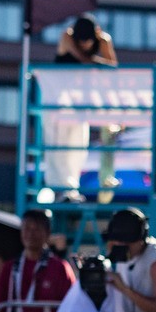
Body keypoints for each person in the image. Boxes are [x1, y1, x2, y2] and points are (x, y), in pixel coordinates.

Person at [45, 14, 118, 202]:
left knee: (78, 146)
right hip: (57, 99)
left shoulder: (101, 40)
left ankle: (71, 188)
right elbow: (85, 61)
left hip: (78, 102)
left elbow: (112, 68)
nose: (85, 44)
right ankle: (58, 188)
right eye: (82, 40)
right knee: (57, 145)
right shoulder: (67, 37)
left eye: (88, 40)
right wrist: (98, 62)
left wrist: (105, 45)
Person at [0, 209, 75, 312]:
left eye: (36, 229)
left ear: (47, 233)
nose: (30, 234)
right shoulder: (9, 267)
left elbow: (70, 307)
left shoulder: (60, 268)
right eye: (27, 228)